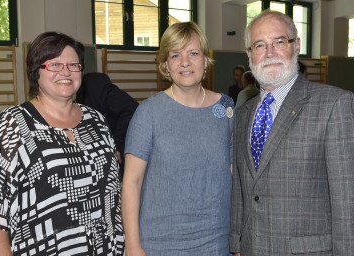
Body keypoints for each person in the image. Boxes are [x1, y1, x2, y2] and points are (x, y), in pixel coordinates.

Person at [230, 10, 354, 256]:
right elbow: (240, 189)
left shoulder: (334, 105)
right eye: (259, 45)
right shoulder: (242, 114)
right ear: (249, 54)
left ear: (296, 45)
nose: (270, 52)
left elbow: (347, 201)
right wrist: (236, 242)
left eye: (279, 41)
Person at [0, 32, 124, 255]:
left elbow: (114, 193)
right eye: (54, 64)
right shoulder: (13, 123)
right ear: (36, 71)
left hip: (107, 248)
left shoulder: (97, 121)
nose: (65, 71)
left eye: (73, 65)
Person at [122, 21, 234, 256]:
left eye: (193, 53)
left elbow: (234, 174)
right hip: (161, 243)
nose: (185, 62)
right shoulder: (149, 112)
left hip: (216, 240)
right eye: (175, 55)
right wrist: (133, 246)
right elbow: (132, 182)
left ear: (205, 60)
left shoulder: (226, 108)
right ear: (165, 64)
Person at [76, 72, 138, 180]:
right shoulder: (91, 95)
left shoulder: (109, 93)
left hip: (119, 145)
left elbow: (131, 109)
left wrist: (117, 144)